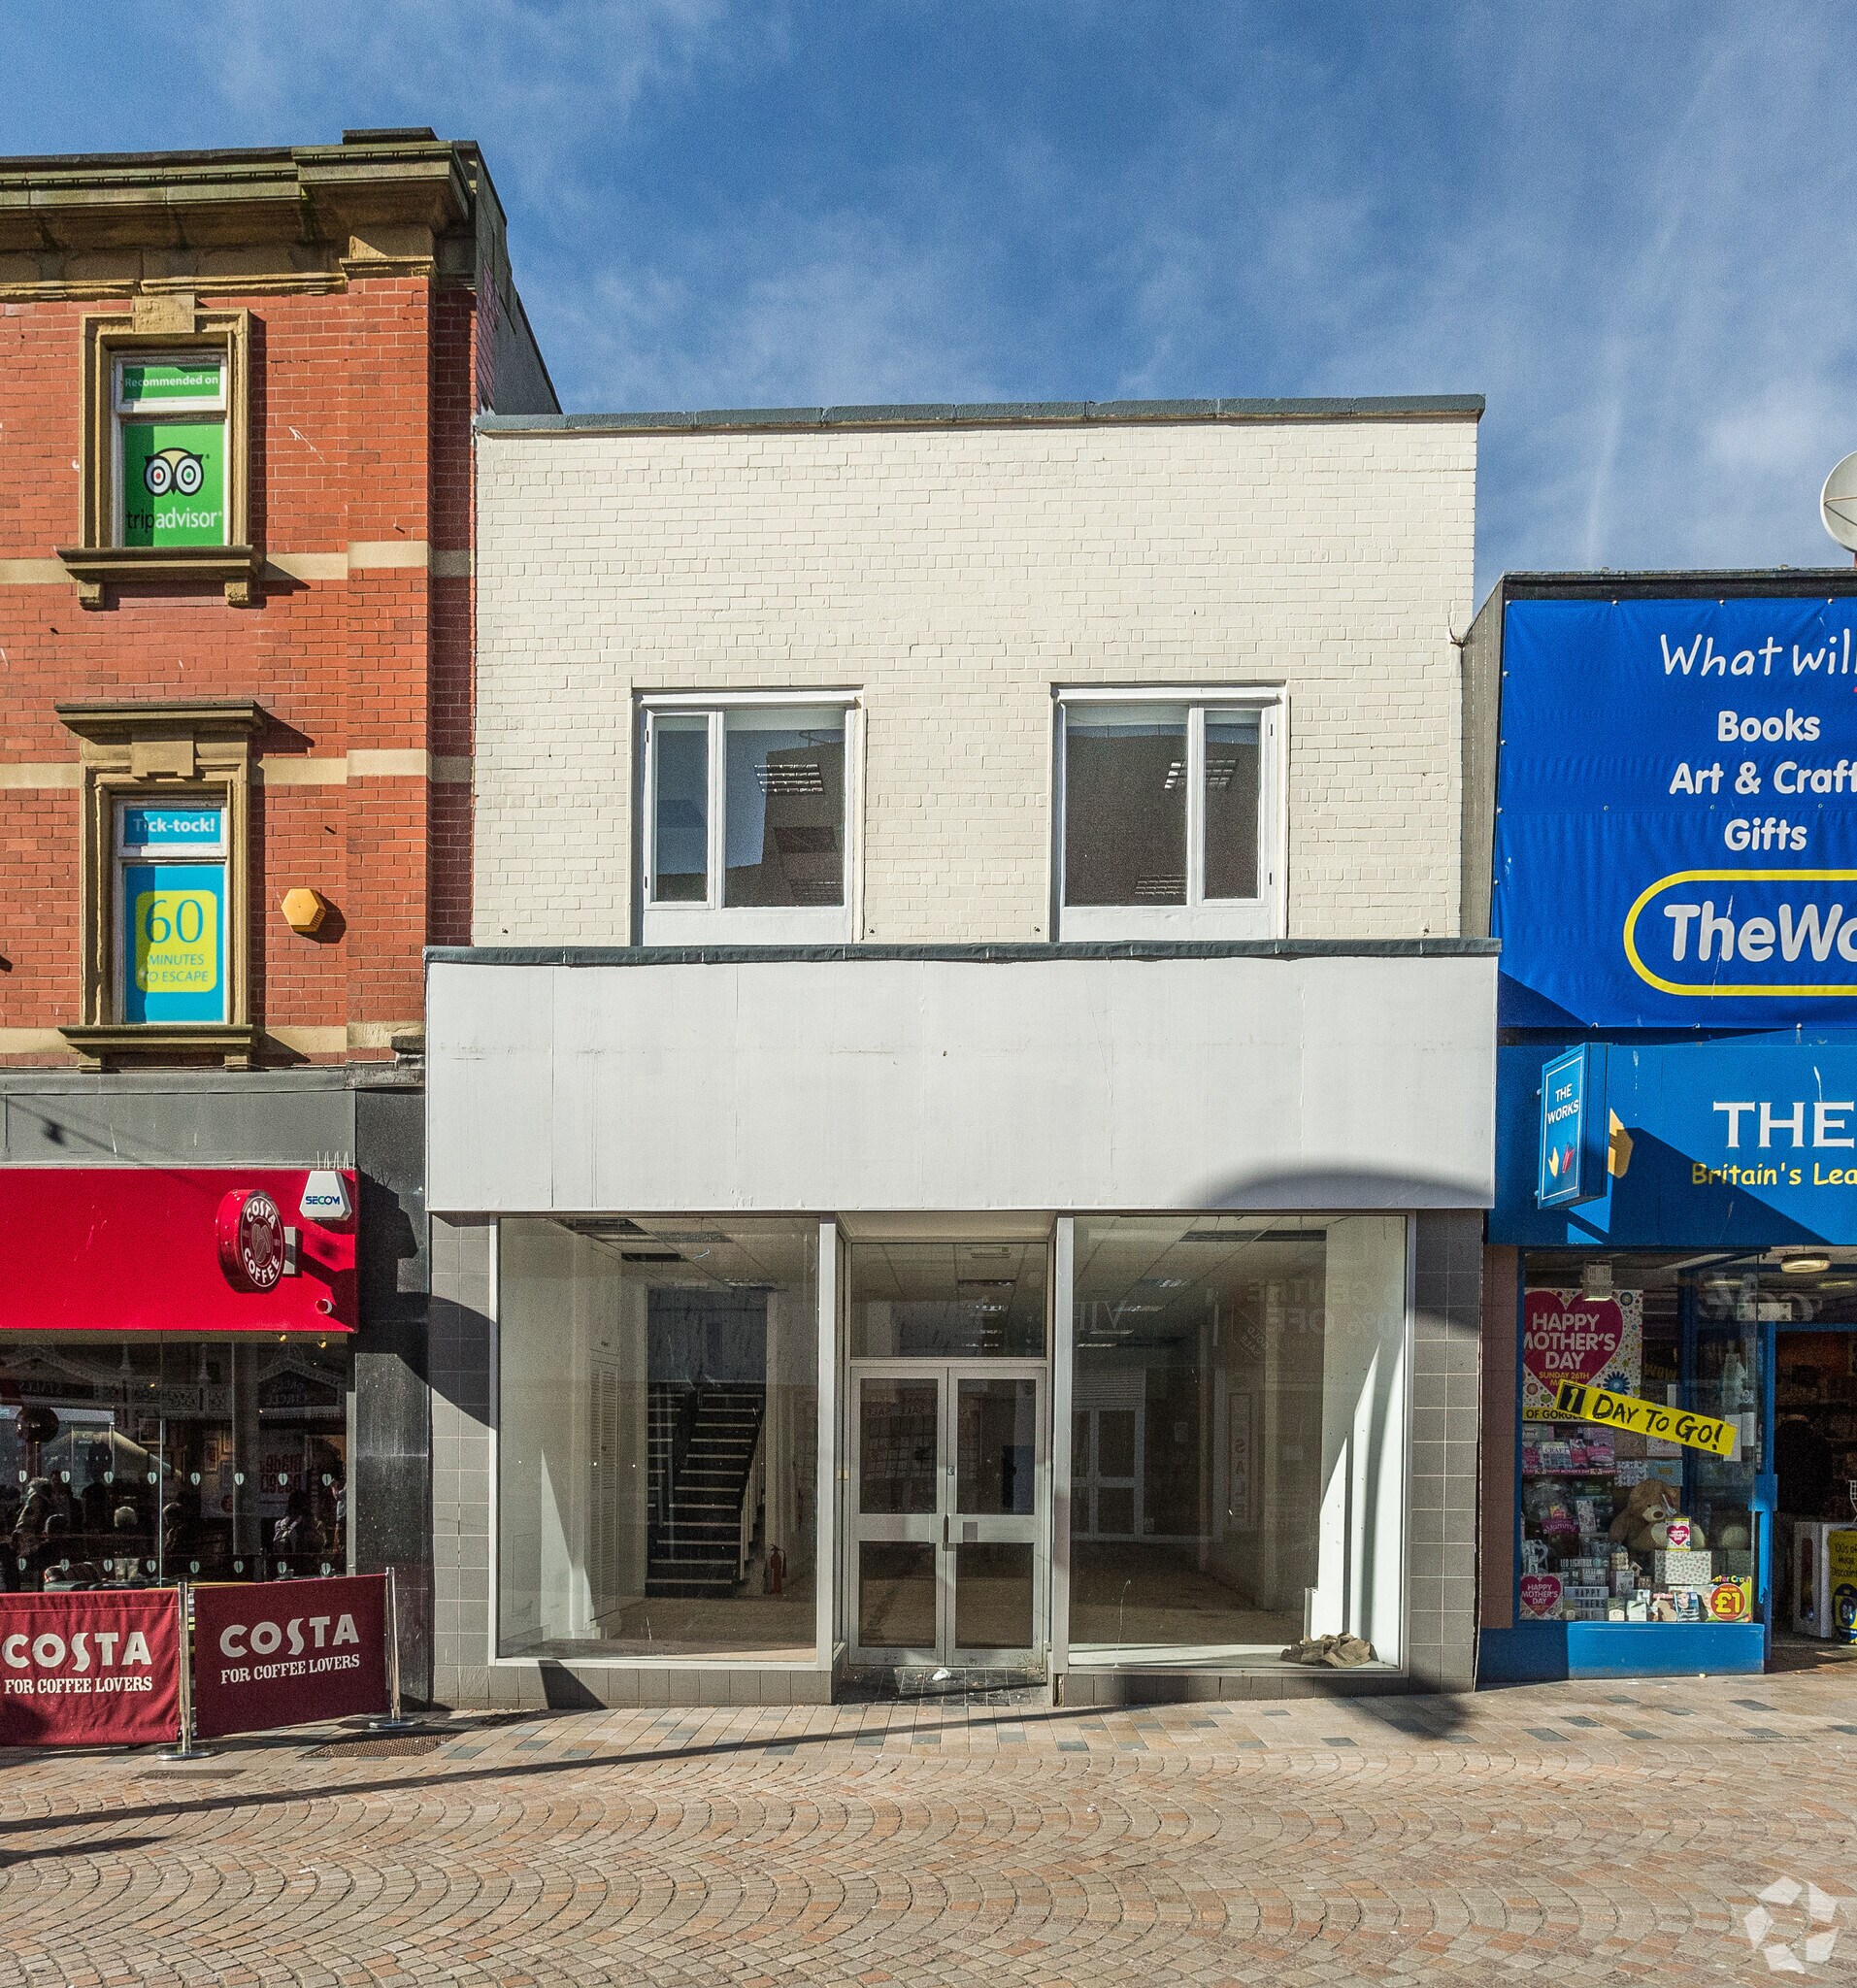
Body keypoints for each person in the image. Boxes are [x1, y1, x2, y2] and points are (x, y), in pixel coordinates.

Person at [1775, 1411, 1835, 1517]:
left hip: (1779, 1505)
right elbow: (1827, 1477)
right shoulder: (1819, 1441)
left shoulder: (1773, 1438)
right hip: (1809, 1506)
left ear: (1784, 1417)